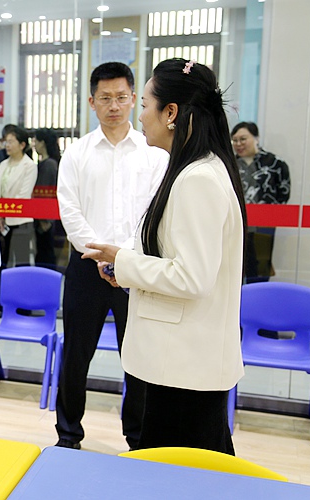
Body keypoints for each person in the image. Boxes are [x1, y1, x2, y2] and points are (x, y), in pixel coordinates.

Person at [83, 58, 246, 454]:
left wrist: (125, 262)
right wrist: (127, 266)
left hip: (184, 363)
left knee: (180, 468)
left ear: (170, 113)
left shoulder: (198, 179)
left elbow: (192, 277)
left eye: (144, 105)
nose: (139, 116)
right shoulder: (195, 170)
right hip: (181, 360)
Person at [55, 62, 168, 451]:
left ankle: (137, 437)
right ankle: (68, 434)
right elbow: (70, 212)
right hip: (87, 267)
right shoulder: (77, 153)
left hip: (137, 268)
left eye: (121, 97)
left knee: (137, 357)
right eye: (105, 98)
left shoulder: (154, 154)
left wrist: (126, 258)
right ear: (92, 102)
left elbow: (155, 213)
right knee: (76, 355)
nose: (114, 106)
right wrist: (102, 256)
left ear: (134, 98)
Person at [231, 121, 290, 281]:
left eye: (243, 139)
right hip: (237, 223)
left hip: (264, 225)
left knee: (260, 267)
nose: (238, 144)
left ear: (256, 138)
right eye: (235, 140)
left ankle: (258, 293)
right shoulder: (230, 164)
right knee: (236, 265)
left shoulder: (275, 163)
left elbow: (283, 193)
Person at [0, 124, 38, 269]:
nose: (7, 145)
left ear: (22, 145)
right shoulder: (3, 164)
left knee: (21, 260)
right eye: (6, 141)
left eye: (11, 142)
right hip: (2, 221)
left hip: (20, 220)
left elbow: (23, 195)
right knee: (2, 260)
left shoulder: (29, 166)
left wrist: (4, 212)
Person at [33, 128, 61, 266]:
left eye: (36, 141)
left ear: (42, 143)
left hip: (45, 217)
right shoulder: (43, 163)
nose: (34, 145)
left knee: (46, 251)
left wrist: (45, 219)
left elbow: (45, 193)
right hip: (42, 216)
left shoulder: (49, 164)